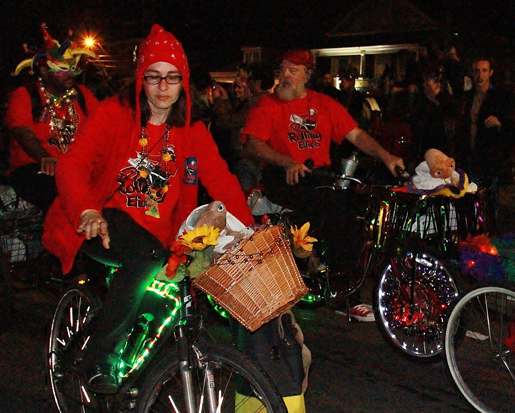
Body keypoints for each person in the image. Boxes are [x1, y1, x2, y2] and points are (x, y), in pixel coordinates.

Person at [43, 24, 254, 394]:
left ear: (183, 82)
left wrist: (250, 232)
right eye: (153, 76)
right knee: (146, 255)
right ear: (140, 78)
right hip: (98, 222)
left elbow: (222, 183)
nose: (162, 87)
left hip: (159, 237)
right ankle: (100, 358)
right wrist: (86, 210)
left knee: (167, 302)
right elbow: (71, 165)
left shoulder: (191, 131)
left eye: (172, 78)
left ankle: (148, 394)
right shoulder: (114, 114)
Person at [242, 48, 404, 322]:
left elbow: (357, 135)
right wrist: (287, 162)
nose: (285, 76)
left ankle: (336, 269)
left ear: (307, 75)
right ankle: (343, 294)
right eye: (282, 70)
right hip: (285, 175)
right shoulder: (266, 105)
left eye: (293, 70)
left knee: (358, 209)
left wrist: (386, 156)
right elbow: (253, 144)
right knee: (335, 212)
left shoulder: (324, 103)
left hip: (320, 175)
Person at [5, 25, 100, 212]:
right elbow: (23, 133)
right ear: (45, 71)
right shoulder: (24, 95)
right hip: (34, 168)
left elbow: (103, 126)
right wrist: (45, 158)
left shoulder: (83, 94)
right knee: (61, 195)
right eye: (63, 68)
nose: (70, 73)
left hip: (76, 168)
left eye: (73, 67)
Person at [460, 56, 515, 231]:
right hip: (470, 154)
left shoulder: (499, 98)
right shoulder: (468, 97)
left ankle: (489, 235)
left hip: (489, 157)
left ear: (490, 73)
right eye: (477, 71)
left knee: (489, 201)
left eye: (484, 70)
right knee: (469, 199)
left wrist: (500, 124)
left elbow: (511, 127)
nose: (480, 75)